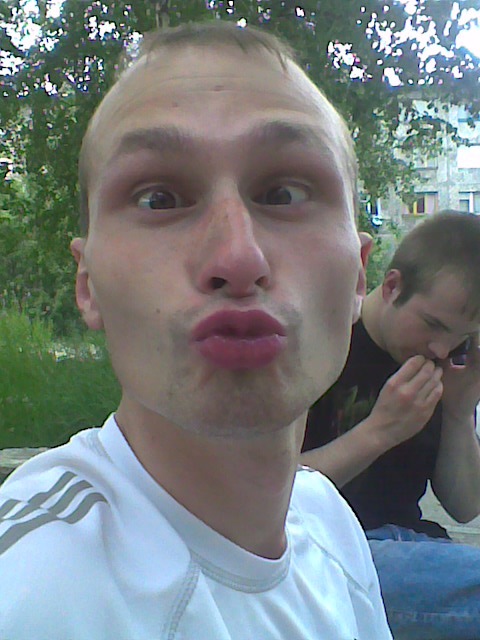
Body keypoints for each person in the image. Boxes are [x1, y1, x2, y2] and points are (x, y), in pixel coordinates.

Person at [0, 22, 392, 639]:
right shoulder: (36, 592)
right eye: (159, 199)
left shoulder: (329, 522)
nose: (237, 258)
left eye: (283, 193)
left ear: (359, 277)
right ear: (88, 285)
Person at [302, 210, 480, 639]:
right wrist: (380, 431)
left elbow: (465, 506)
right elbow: (273, 490)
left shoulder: (446, 362)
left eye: (461, 338)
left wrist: (459, 412)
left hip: (414, 545)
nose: (441, 349)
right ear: (392, 286)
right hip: (330, 552)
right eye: (433, 325)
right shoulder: (321, 344)